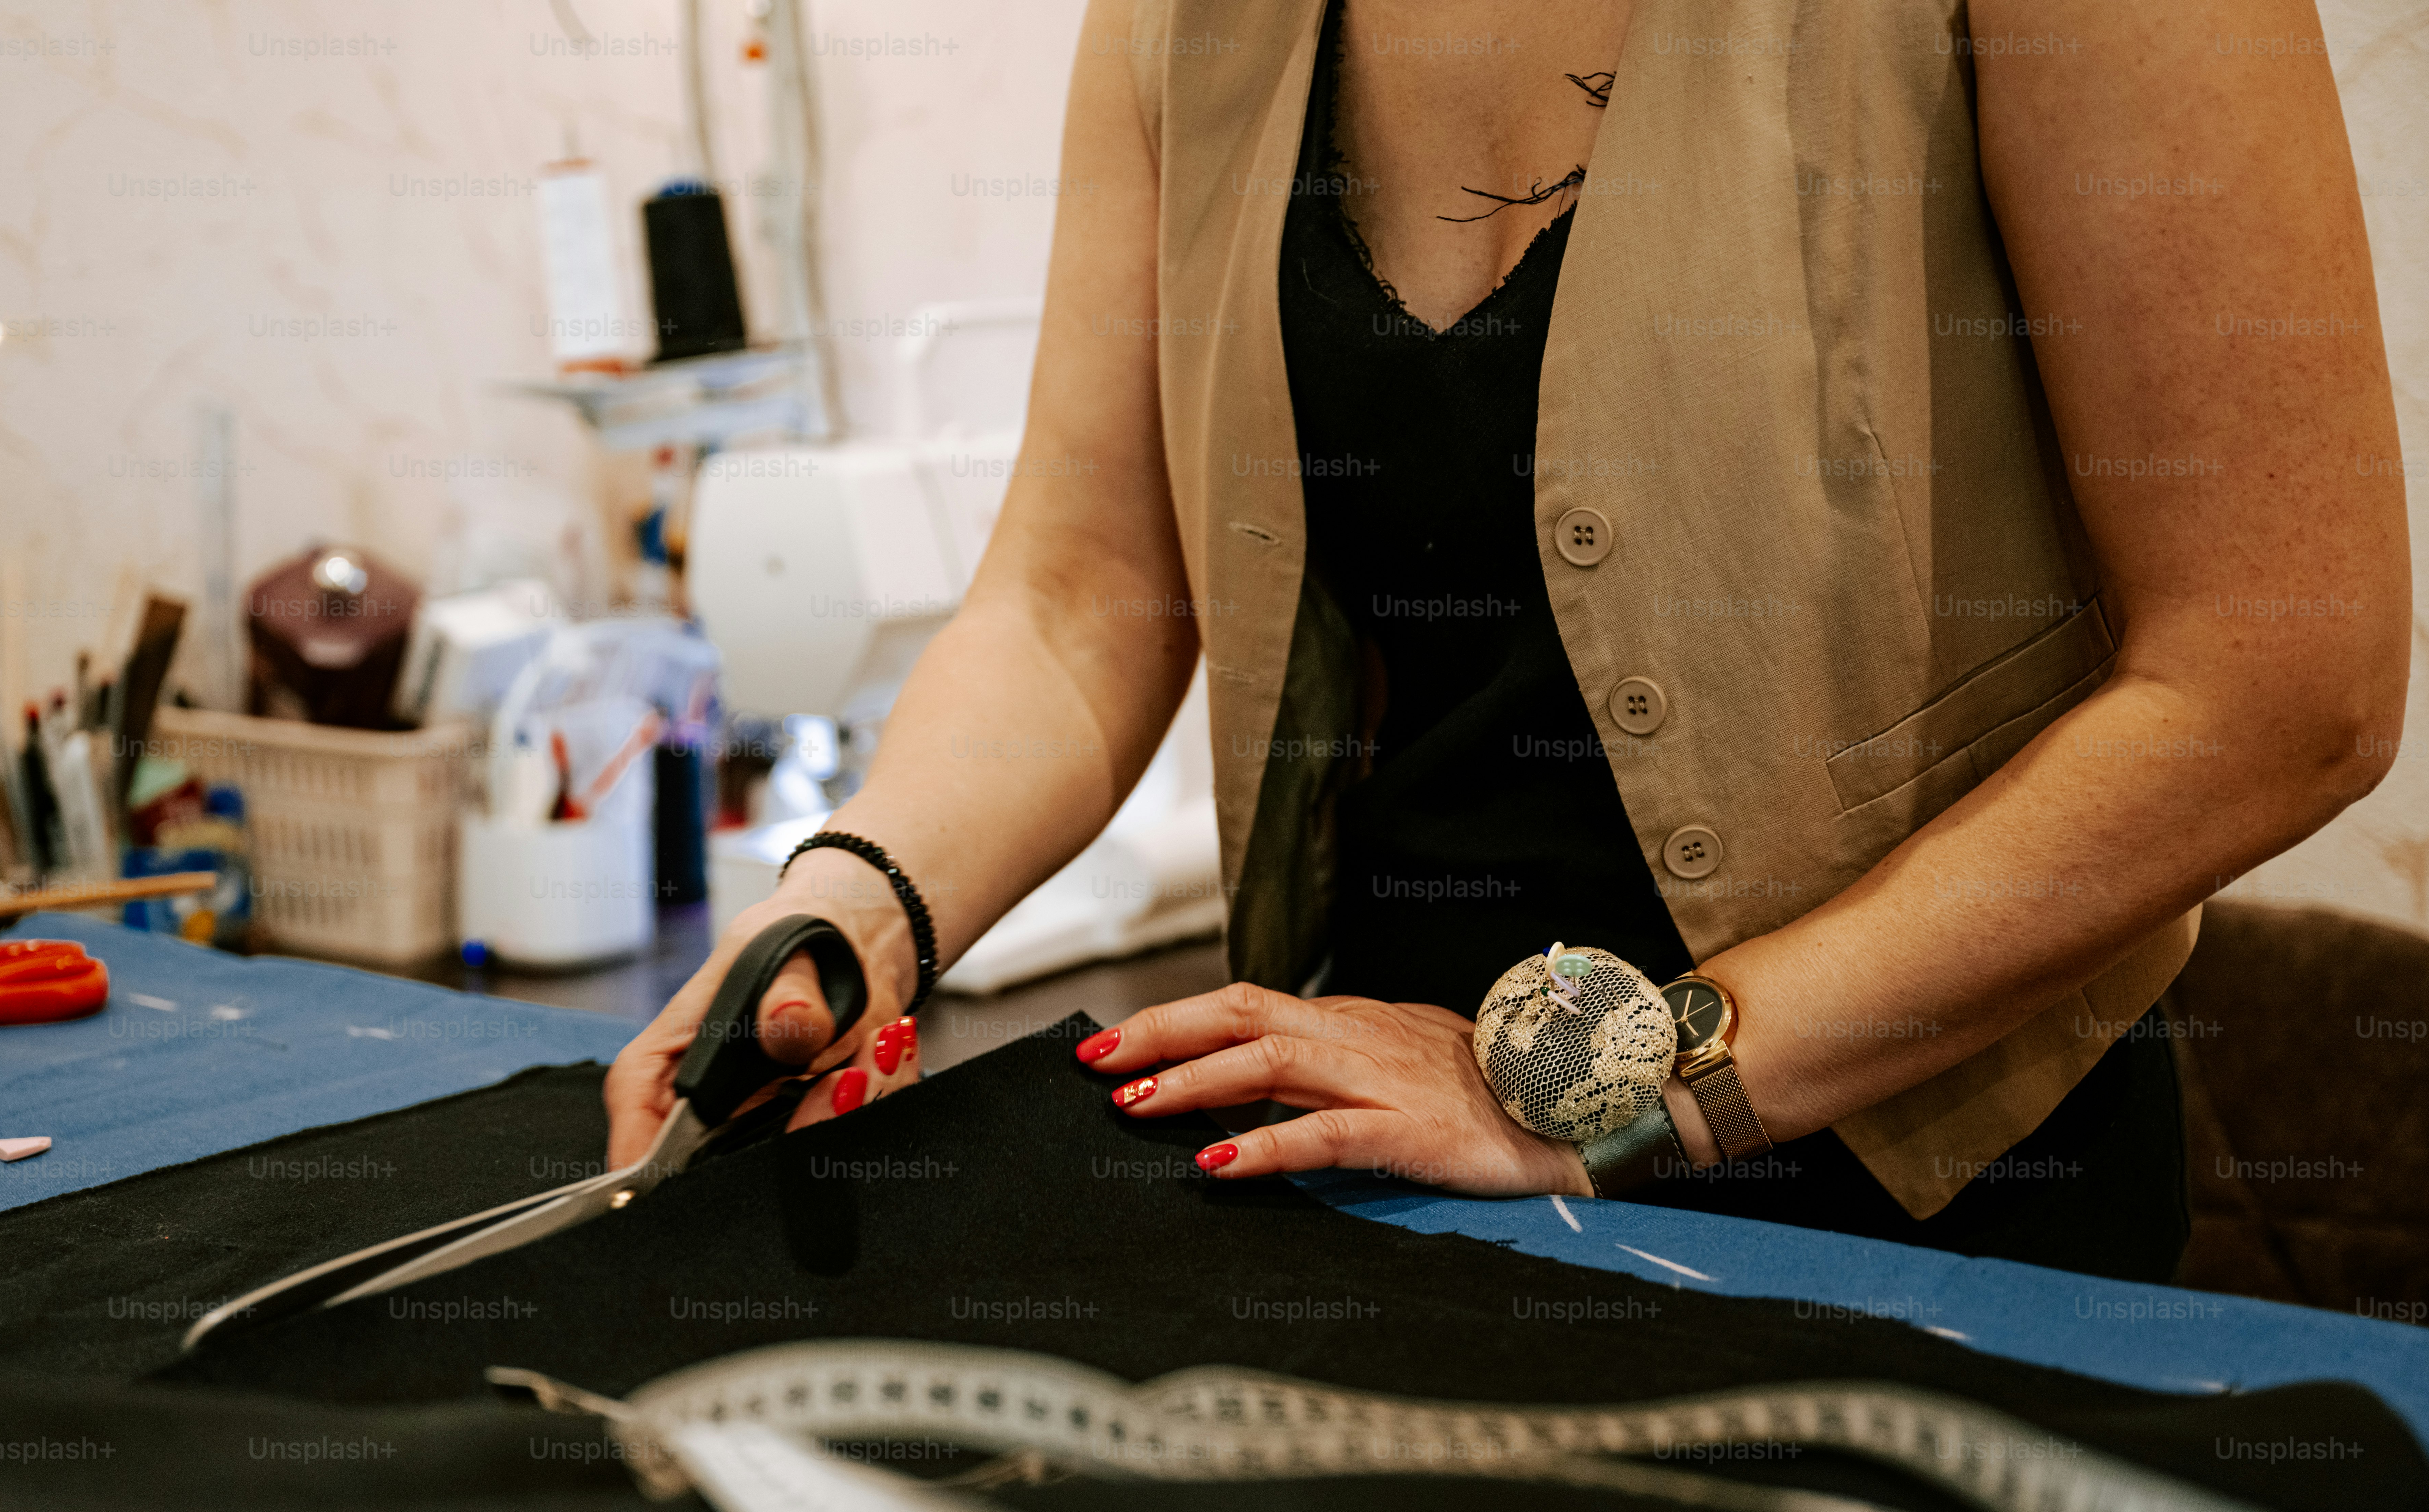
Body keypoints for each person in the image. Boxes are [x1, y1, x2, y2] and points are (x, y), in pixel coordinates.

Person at [606, 0, 2408, 1284]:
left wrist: (1591, 1088)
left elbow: (2281, 680)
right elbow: (1080, 594)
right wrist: (852, 903)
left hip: (1918, 1225)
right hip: (1387, 1178)